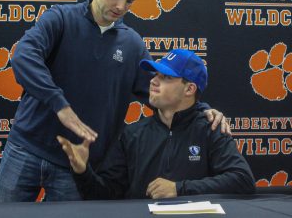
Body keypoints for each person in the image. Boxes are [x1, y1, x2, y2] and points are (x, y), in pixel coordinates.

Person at [0, 0, 230, 202]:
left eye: (130, 1)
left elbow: (161, 92)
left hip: (78, 164)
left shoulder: (132, 44)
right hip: (26, 148)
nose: (121, 7)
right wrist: (59, 104)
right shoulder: (61, 18)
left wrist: (202, 110)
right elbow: (23, 56)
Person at [58, 49, 255, 199]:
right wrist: (83, 171)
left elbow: (243, 180)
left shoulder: (210, 128)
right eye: (155, 75)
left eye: (166, 77)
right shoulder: (133, 134)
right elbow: (105, 193)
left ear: (189, 89)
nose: (153, 81)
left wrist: (179, 189)